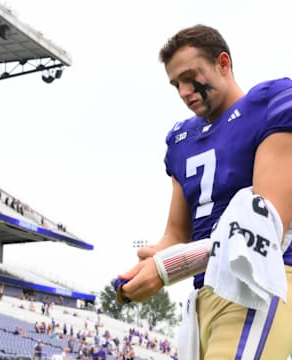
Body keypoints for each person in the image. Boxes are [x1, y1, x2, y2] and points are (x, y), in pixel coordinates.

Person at [117, 24, 292, 359]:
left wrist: (168, 267)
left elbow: (266, 233)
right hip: (203, 294)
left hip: (260, 281)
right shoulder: (181, 141)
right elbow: (177, 234)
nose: (183, 91)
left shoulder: (272, 103)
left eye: (189, 76)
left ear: (222, 63)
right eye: (175, 84)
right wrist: (149, 264)